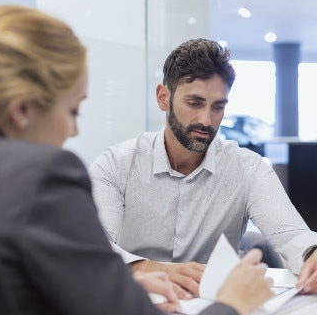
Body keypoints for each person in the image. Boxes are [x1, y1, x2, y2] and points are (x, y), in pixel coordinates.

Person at [0, 4, 275, 315]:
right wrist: (233, 304)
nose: (73, 129)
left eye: (217, 107)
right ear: (21, 110)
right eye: (72, 110)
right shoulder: (46, 176)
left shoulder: (245, 166)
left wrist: (115, 284)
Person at [89, 38, 317, 299]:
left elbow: (291, 235)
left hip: (217, 305)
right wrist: (151, 269)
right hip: (136, 303)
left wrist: (312, 254)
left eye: (218, 107)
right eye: (195, 103)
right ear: (163, 98)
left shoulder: (247, 168)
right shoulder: (116, 165)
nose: (206, 120)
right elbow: (94, 247)